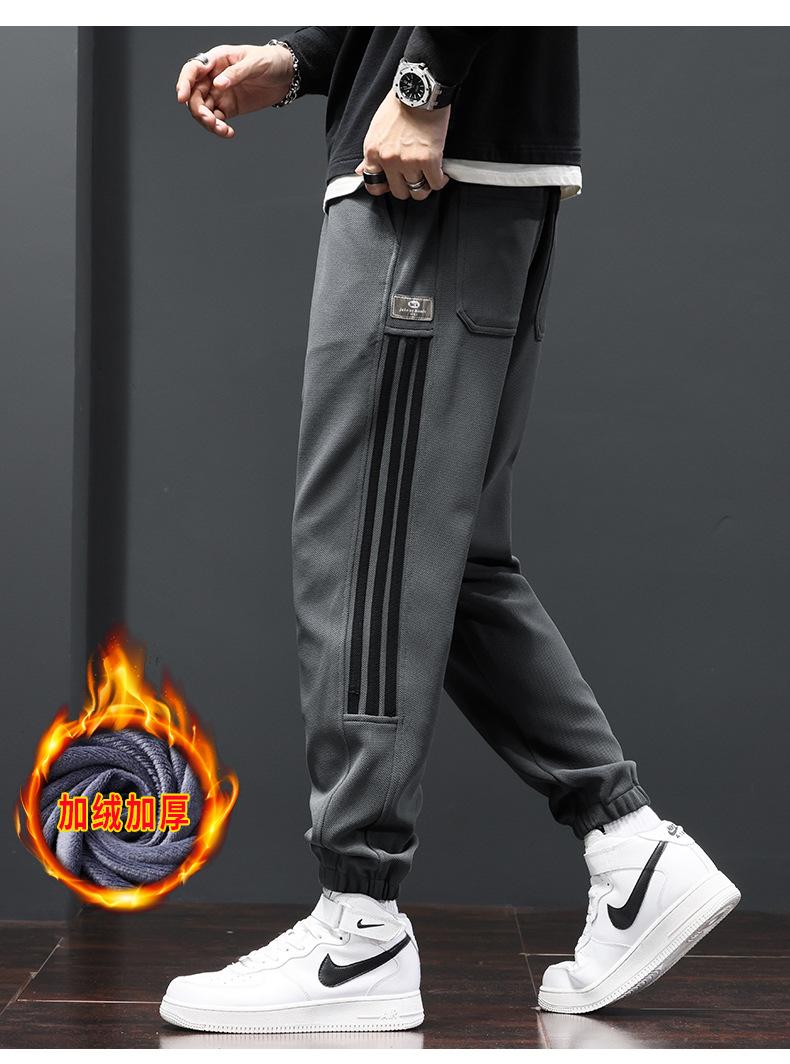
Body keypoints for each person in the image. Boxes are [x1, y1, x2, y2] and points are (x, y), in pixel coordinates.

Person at [160, 28, 740, 1034]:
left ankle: (359, 926)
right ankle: (630, 847)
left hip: (430, 174)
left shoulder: (427, 109)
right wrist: (304, 60)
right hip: (466, 167)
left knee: (365, 553)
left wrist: (422, 83)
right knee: (442, 557)